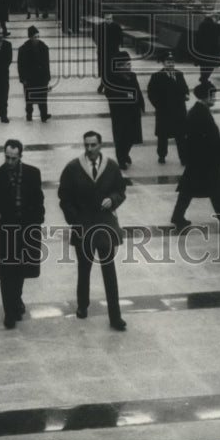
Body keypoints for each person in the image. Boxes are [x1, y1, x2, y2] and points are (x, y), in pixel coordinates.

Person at [58, 131, 127, 331]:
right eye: (86, 145)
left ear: (100, 145)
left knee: (109, 271)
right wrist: (74, 219)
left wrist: (112, 200)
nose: (89, 149)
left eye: (93, 145)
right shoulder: (73, 168)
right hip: (83, 226)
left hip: (105, 225)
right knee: (84, 268)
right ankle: (82, 305)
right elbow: (64, 196)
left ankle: (115, 316)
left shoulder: (112, 167)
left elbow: (120, 191)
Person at [0, 139, 45, 329]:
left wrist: (38, 221)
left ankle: (16, 300)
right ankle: (10, 311)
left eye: (13, 158)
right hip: (4, 232)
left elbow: (38, 199)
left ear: (20, 156)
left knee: (21, 270)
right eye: (7, 157)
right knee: (6, 273)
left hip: (25, 231)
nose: (9, 161)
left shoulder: (32, 174)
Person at [171, 81, 220, 234]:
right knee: (216, 193)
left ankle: (177, 217)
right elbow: (202, 140)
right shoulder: (199, 113)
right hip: (205, 162)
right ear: (205, 96)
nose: (215, 98)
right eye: (213, 95)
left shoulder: (199, 110)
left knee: (188, 191)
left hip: (200, 162)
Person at [103, 49, 144, 171]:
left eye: (130, 64)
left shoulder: (132, 76)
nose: (129, 66)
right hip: (120, 112)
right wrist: (127, 96)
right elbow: (109, 94)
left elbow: (138, 90)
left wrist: (141, 104)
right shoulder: (111, 78)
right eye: (127, 64)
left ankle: (125, 153)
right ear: (119, 66)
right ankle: (121, 159)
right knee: (121, 136)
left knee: (132, 136)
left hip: (133, 111)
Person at [147, 51, 189, 165]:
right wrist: (159, 105)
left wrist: (186, 94)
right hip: (164, 111)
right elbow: (151, 93)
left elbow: (185, 88)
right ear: (163, 63)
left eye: (172, 62)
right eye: (168, 62)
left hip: (179, 110)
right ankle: (162, 155)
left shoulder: (179, 74)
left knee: (181, 136)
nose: (170, 64)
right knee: (162, 136)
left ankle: (183, 157)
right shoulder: (156, 76)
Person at [17, 26, 51, 122]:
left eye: (38, 36)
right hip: (29, 78)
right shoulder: (23, 49)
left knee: (43, 98)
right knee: (29, 99)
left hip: (41, 77)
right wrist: (23, 79)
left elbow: (46, 64)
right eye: (35, 37)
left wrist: (47, 78)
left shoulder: (44, 47)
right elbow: (20, 66)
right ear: (30, 37)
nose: (37, 39)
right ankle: (29, 114)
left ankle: (43, 115)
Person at [96, 12, 122, 95]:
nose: (108, 21)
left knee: (111, 69)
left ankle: (105, 85)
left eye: (110, 19)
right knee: (104, 69)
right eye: (107, 19)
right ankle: (103, 85)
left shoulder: (117, 27)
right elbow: (96, 38)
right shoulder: (100, 27)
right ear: (104, 19)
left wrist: (115, 46)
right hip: (103, 51)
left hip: (113, 51)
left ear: (112, 19)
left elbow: (120, 38)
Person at [193, 13, 220, 84]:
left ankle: (203, 78)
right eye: (216, 18)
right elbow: (218, 32)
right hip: (211, 49)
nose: (216, 20)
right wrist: (219, 24)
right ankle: (204, 78)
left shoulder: (202, 24)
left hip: (202, 49)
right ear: (213, 18)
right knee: (210, 65)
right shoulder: (212, 25)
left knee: (203, 65)